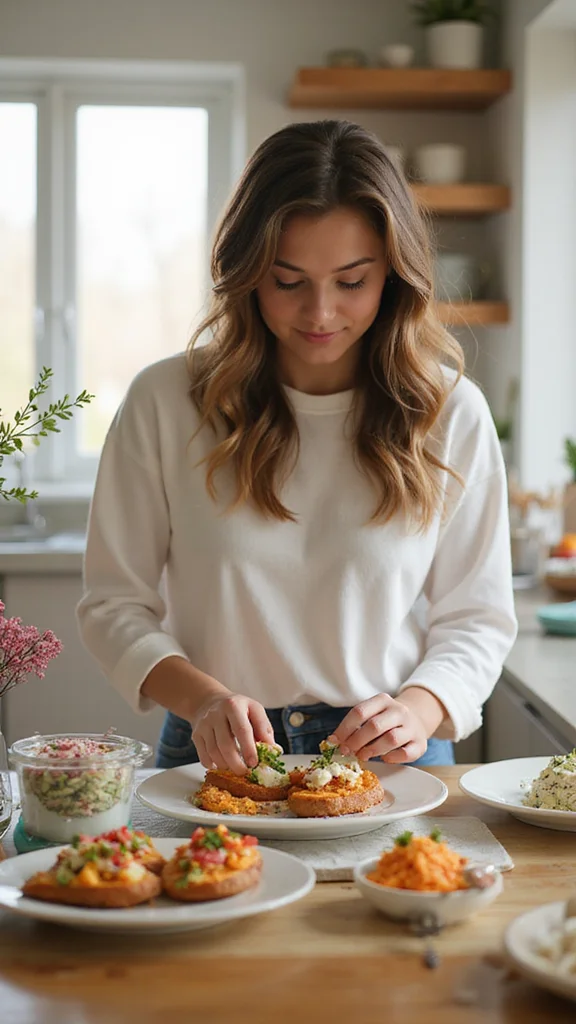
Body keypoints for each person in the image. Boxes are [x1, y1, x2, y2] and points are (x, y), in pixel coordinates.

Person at [77, 119, 517, 774]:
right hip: (217, 749)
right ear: (247, 273)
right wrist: (204, 702)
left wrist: (420, 710)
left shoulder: (450, 414)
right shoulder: (165, 401)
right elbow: (114, 604)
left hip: (394, 759)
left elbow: (478, 618)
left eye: (351, 281)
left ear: (393, 276)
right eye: (288, 281)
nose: (319, 313)